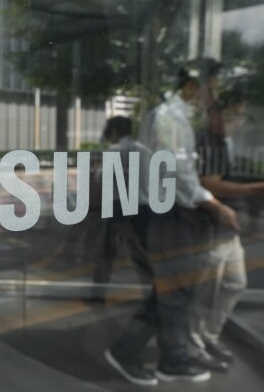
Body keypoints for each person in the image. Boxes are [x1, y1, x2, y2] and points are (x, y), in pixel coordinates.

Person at [105, 59, 239, 386]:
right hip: (165, 213)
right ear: (192, 86)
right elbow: (176, 174)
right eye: (211, 87)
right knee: (174, 289)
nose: (213, 95)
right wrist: (213, 202)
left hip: (170, 212)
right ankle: (133, 352)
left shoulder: (178, 119)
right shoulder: (169, 118)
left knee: (175, 289)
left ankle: (170, 358)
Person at [191, 91, 264, 368]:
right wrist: (255, 188)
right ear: (215, 114)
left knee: (234, 283)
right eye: (234, 114)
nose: (239, 121)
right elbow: (210, 183)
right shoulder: (207, 142)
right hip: (209, 225)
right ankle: (194, 344)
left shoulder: (226, 141)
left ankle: (209, 335)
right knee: (205, 290)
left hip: (228, 226)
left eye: (242, 115)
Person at [91, 116, 153, 299]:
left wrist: (98, 169)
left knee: (106, 252)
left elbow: (101, 179)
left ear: (115, 131)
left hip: (119, 206)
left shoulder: (116, 150)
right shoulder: (146, 151)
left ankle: (98, 295)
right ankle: (151, 297)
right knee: (140, 254)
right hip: (143, 206)